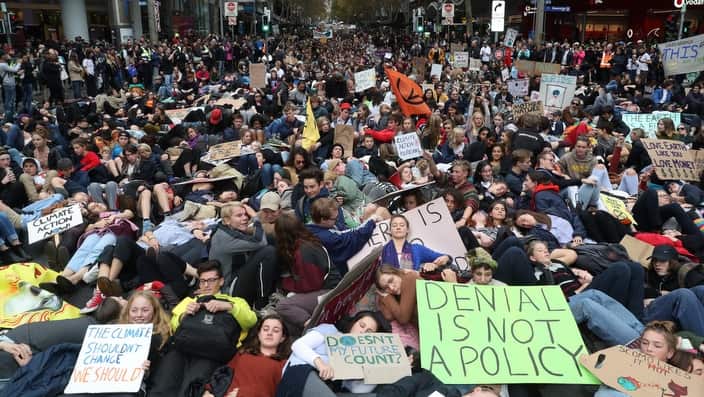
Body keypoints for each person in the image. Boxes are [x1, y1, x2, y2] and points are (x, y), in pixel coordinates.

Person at [151, 261, 257, 397]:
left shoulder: (236, 301)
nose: (206, 285)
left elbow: (251, 321)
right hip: (182, 349)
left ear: (221, 281)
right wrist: (185, 315)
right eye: (202, 281)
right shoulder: (190, 301)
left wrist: (229, 307)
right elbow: (172, 326)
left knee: (192, 389)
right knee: (162, 386)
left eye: (211, 280)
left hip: (213, 352)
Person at [276, 311, 391, 397]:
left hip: (331, 387)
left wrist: (378, 371)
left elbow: (357, 390)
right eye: (361, 325)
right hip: (302, 373)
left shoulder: (361, 358)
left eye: (369, 332)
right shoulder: (331, 331)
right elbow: (298, 345)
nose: (363, 332)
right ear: (354, 323)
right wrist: (320, 363)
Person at [274, 213, 341, 336]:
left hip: (329, 291)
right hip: (326, 287)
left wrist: (285, 283)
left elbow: (311, 285)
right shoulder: (306, 240)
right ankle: (295, 335)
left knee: (283, 306)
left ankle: (315, 328)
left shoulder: (303, 251)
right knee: (289, 306)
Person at [208, 203, 278, 309]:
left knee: (270, 241)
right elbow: (261, 242)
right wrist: (255, 218)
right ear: (227, 220)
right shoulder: (225, 238)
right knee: (268, 251)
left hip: (237, 276)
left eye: (246, 215)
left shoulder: (226, 230)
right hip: (230, 288)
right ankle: (262, 304)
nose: (245, 218)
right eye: (239, 216)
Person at [204, 314, 291, 397]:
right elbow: (223, 375)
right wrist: (208, 391)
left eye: (275, 331)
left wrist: (244, 393)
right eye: (265, 329)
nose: (269, 333)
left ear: (282, 337)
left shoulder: (284, 365)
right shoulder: (243, 354)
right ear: (259, 334)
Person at [380, 214, 451, 271]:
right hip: (389, 287)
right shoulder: (382, 251)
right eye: (394, 225)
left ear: (407, 230)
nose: (398, 228)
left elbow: (445, 258)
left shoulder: (416, 248)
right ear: (390, 230)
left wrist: (435, 265)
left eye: (402, 225)